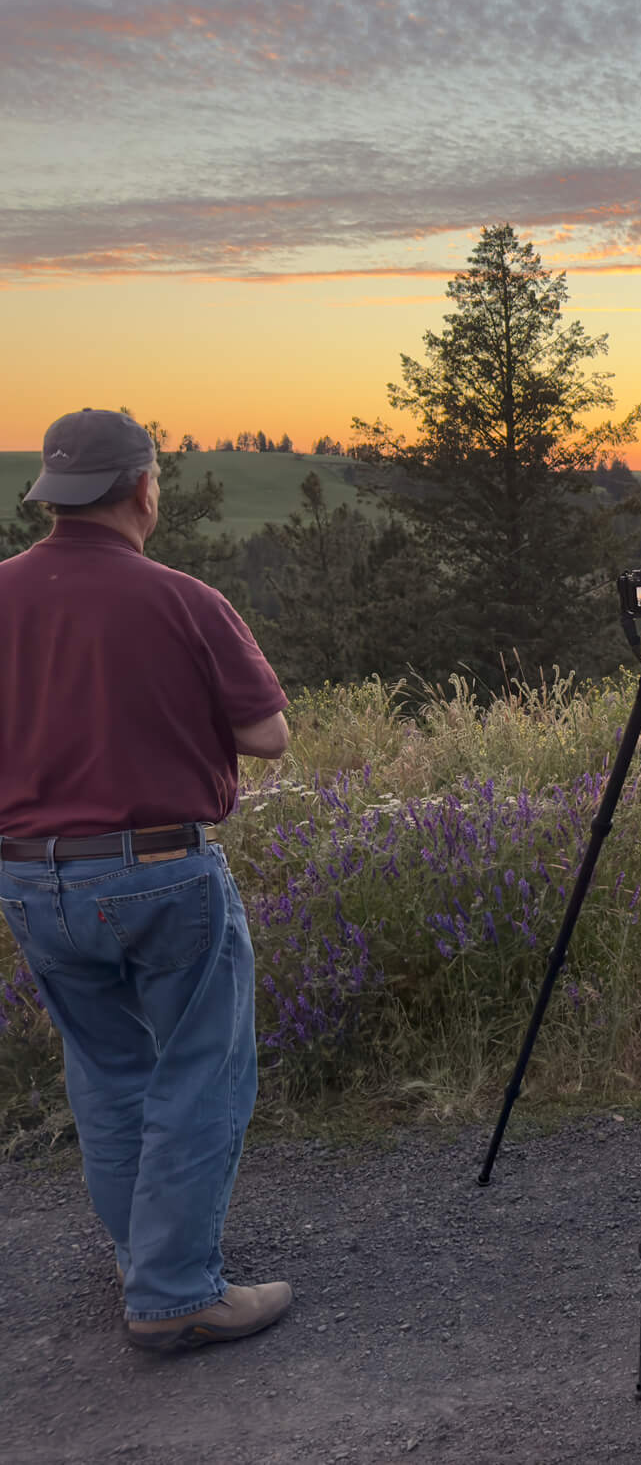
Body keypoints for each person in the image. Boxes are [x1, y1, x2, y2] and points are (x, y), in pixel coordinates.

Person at [0, 409, 293, 1350]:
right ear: (142, 489)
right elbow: (267, 735)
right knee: (201, 1072)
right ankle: (174, 1294)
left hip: (28, 880)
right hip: (159, 870)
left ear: (53, 493)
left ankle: (145, 1258)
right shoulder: (182, 599)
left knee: (107, 1072)